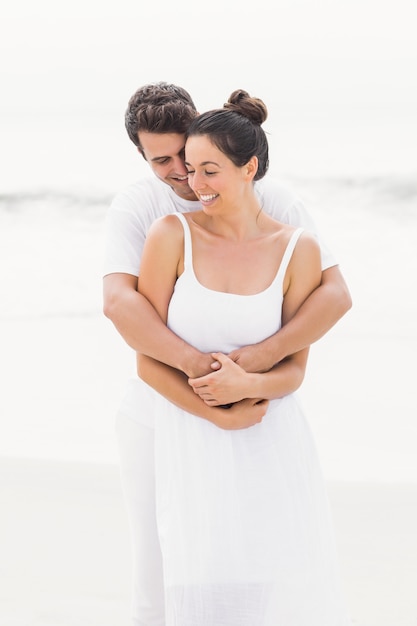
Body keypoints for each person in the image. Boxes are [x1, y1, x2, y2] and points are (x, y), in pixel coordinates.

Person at [103, 82, 352, 626]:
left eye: (191, 158)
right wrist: (209, 381)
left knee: (261, 576)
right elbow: (122, 308)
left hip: (260, 418)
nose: (183, 176)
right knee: (159, 576)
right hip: (161, 411)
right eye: (163, 161)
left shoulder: (276, 204)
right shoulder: (150, 214)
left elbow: (334, 296)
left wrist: (255, 372)